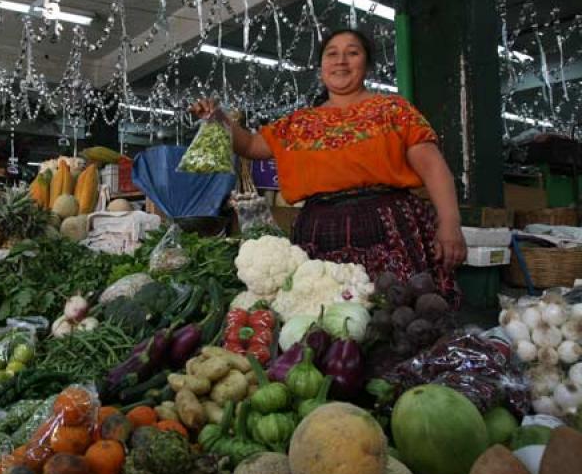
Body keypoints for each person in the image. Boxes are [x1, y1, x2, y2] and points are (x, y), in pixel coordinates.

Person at [190, 28, 467, 304]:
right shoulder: (299, 123)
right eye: (332, 54)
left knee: (399, 312)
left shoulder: (394, 110)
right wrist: (218, 118)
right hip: (320, 230)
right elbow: (250, 145)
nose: (341, 61)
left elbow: (434, 168)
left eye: (352, 53)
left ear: (367, 64)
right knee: (325, 316)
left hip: (389, 224)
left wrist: (450, 224)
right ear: (322, 67)